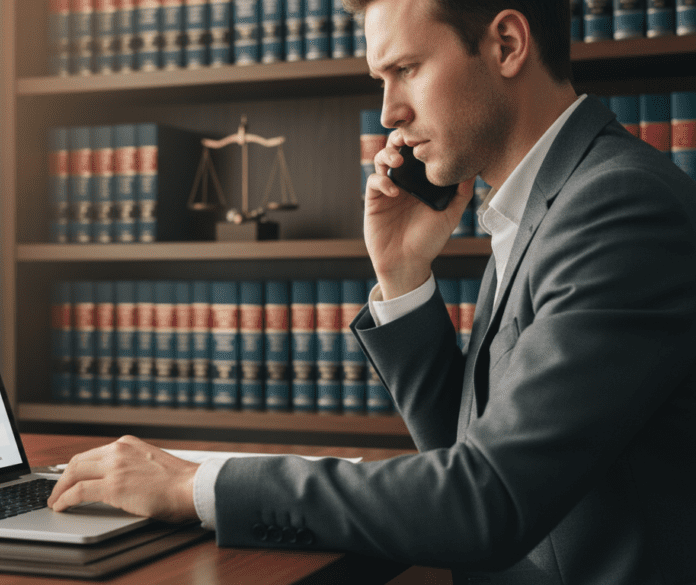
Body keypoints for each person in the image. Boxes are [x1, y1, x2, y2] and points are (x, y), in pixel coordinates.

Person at [48, 0, 696, 582]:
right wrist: (403, 275)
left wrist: (198, 484)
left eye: (406, 69)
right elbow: (472, 457)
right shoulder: (543, 206)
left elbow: (488, 501)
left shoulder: (616, 208)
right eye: (381, 81)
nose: (388, 112)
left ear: (506, 44)